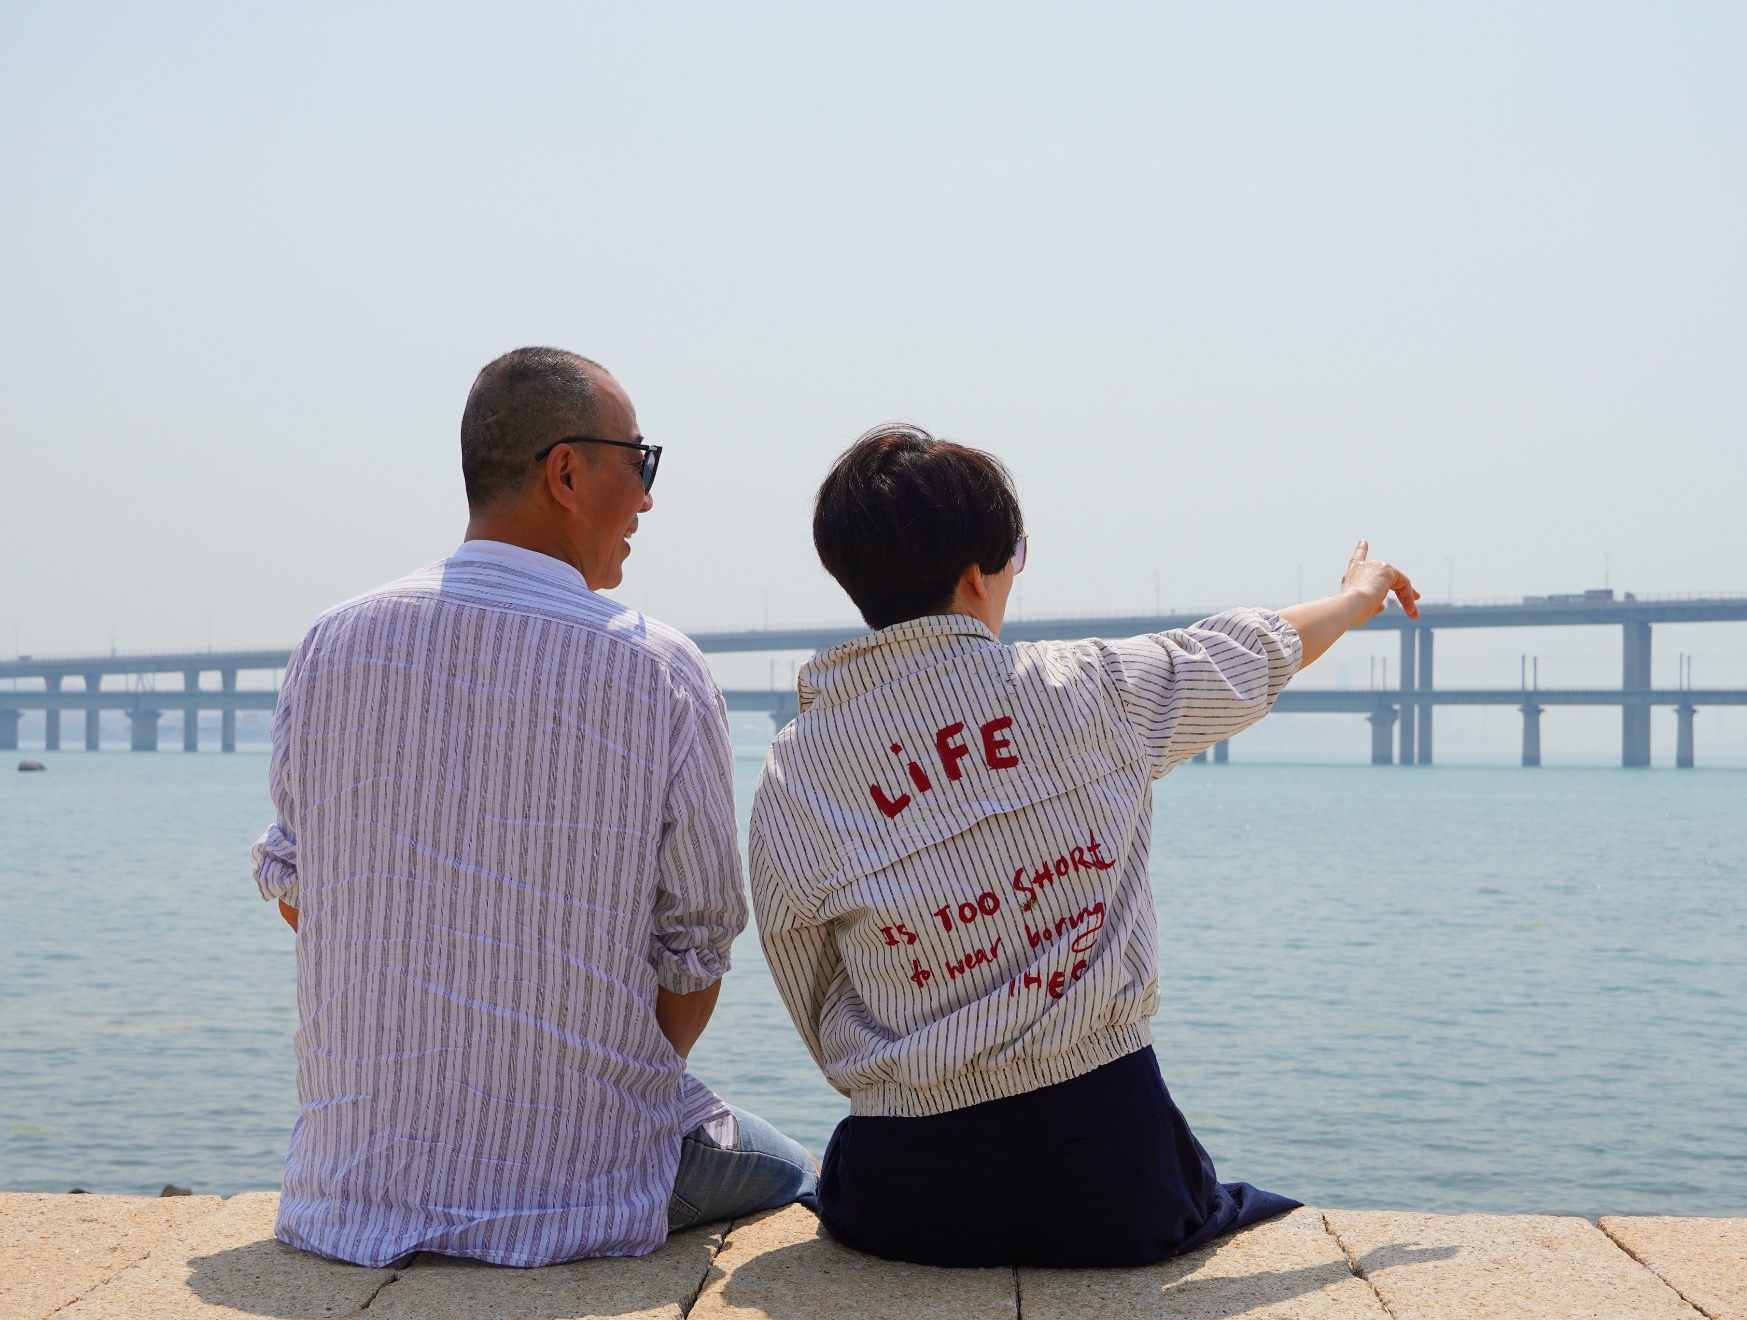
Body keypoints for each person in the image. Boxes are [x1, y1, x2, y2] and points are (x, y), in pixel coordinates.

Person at [747, 424, 1418, 1267]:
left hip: (907, 1197)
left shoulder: (794, 769)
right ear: (976, 574)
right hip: (1116, 1181)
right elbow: (1249, 654)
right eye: (1015, 556)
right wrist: (1356, 596)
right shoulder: (1091, 687)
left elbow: (807, 978)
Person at [250, 347, 814, 1269]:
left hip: (348, 1190)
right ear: (566, 472)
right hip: (583, 1190)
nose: (647, 498)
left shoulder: (332, 641)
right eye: (639, 462)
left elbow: (299, 894)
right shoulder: (658, 670)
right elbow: (696, 946)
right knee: (801, 1174)